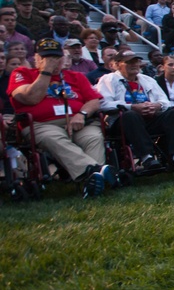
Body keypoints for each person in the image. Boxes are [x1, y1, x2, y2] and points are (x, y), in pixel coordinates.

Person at [6, 38, 114, 197]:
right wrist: (46, 72)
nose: (52, 62)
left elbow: (94, 100)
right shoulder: (22, 73)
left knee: (93, 137)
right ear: (37, 58)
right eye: (47, 58)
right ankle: (95, 170)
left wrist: (81, 114)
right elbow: (31, 98)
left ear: (63, 58)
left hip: (79, 121)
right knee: (54, 138)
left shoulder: (76, 76)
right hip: (41, 124)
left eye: (56, 58)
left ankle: (91, 182)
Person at [96, 50, 174, 172]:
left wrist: (156, 106)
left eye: (136, 62)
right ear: (117, 64)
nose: (134, 65)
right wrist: (131, 107)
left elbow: (164, 101)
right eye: (129, 62)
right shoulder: (108, 79)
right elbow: (103, 104)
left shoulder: (147, 79)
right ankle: (147, 158)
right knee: (131, 115)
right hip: (123, 121)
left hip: (150, 118)